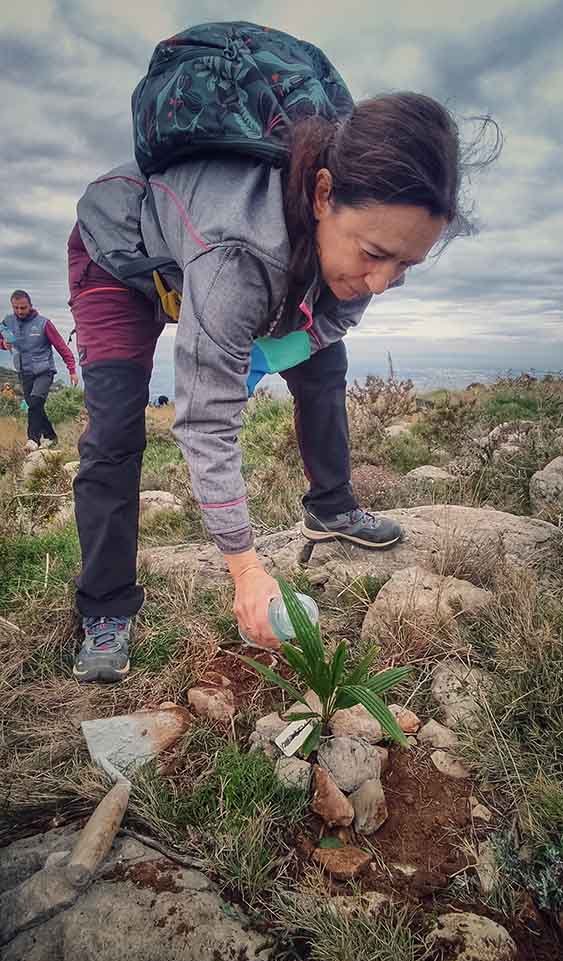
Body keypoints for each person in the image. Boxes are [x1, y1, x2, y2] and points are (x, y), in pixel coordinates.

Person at [68, 35, 498, 681]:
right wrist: (246, 566)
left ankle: (331, 505)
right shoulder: (240, 256)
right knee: (114, 429)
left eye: (405, 264)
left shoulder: (351, 245)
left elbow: (330, 320)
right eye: (374, 253)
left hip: (217, 263)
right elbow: (206, 421)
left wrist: (261, 354)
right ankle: (105, 605)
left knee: (324, 364)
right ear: (323, 195)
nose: (382, 281)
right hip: (119, 258)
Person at [0, 290, 78, 450]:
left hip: (44, 371)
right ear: (12, 306)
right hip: (24, 372)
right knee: (34, 405)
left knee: (35, 402)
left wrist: (72, 369)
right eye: (16, 308)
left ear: (30, 305)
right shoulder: (7, 322)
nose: (20, 311)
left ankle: (33, 440)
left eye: (23, 307)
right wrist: (3, 344)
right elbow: (2, 340)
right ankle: (50, 436)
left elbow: (61, 346)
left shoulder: (43, 323)